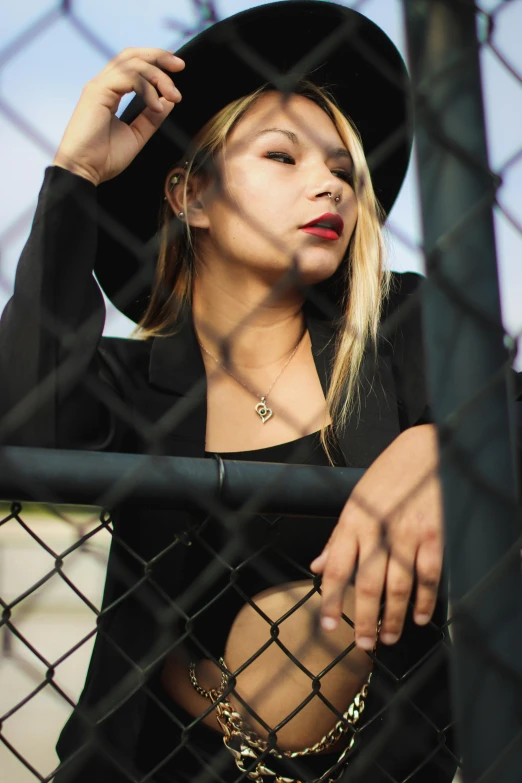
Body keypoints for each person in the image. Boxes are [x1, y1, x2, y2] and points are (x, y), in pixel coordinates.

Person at [5, 1, 512, 781]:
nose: (331, 187)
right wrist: (74, 178)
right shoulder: (135, 382)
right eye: (283, 157)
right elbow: (22, 415)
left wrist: (438, 444)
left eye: (343, 171)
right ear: (192, 197)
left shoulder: (400, 330)